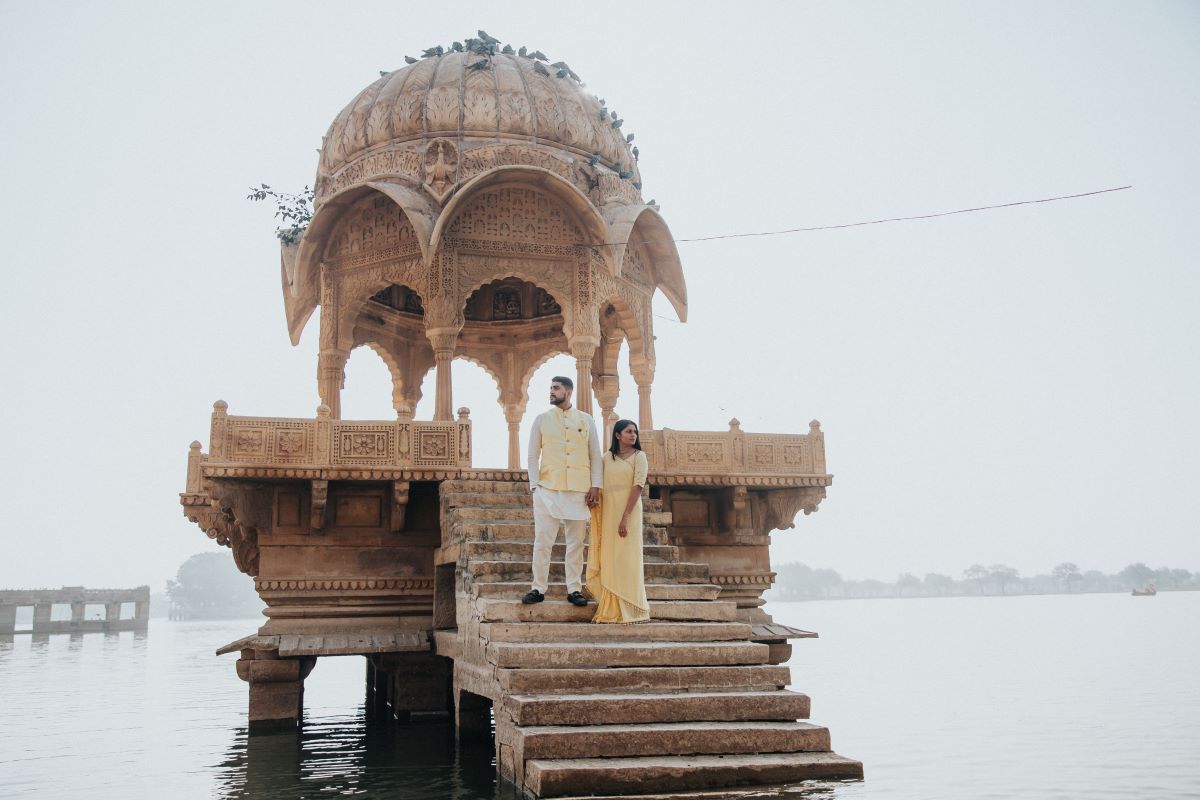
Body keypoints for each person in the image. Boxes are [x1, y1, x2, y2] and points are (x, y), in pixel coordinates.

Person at [522, 376, 603, 607]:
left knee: (576, 543)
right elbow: (532, 455)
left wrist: (595, 486)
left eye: (556, 388)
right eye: (550, 388)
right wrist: (535, 486)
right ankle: (538, 588)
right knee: (542, 541)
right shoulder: (541, 419)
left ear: (568, 391)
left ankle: (574, 589)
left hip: (579, 491)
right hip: (547, 489)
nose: (551, 391)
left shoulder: (586, 420)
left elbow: (595, 455)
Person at [586, 419, 650, 623]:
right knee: (610, 557)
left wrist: (625, 517)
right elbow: (597, 482)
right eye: (629, 431)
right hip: (609, 512)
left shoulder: (639, 456)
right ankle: (610, 607)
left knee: (628, 558)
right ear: (617, 435)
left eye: (635, 432)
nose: (633, 435)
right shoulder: (607, 458)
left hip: (629, 512)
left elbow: (638, 486)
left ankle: (631, 606)